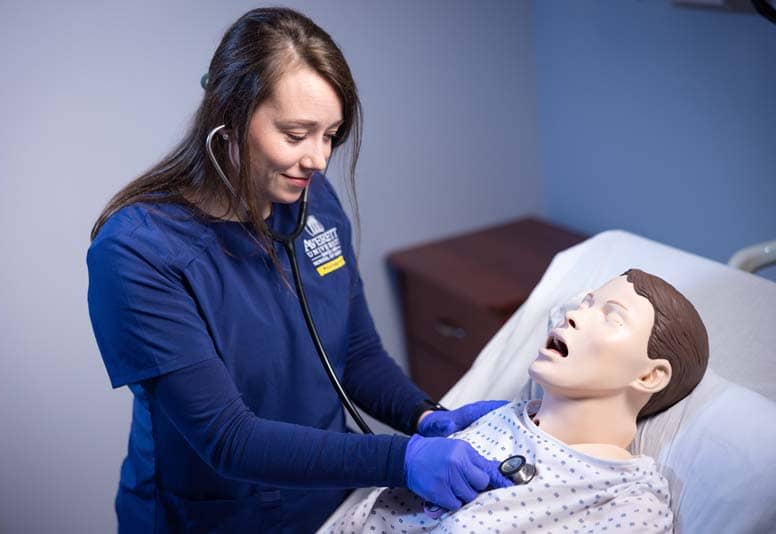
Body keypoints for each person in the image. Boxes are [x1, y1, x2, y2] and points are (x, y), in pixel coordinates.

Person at [86, 7, 510, 533]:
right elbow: (228, 438)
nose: (318, 159)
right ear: (230, 117)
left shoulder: (312, 203)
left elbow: (354, 354)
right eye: (296, 134)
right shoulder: (136, 252)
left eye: (330, 135)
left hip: (331, 504)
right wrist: (400, 459)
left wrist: (424, 417)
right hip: (213, 518)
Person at [322, 268, 709, 533]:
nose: (574, 315)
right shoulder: (498, 418)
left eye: (611, 317)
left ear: (649, 375)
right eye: (585, 302)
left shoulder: (626, 503)